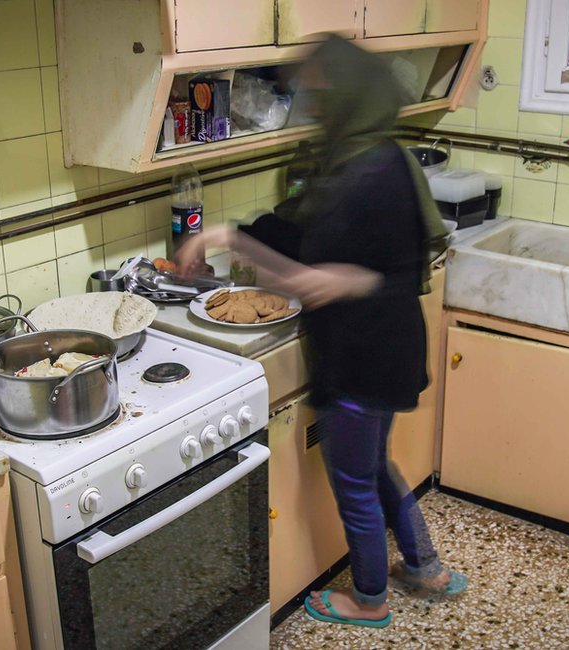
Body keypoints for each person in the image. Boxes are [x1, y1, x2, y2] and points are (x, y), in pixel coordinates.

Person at [176, 34, 465, 629]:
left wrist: (227, 238)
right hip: (391, 345)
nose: (313, 101)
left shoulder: (362, 175)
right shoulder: (381, 157)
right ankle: (425, 564)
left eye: (322, 91)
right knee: (377, 465)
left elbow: (309, 279)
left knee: (355, 481)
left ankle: (370, 599)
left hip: (359, 356)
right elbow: (309, 237)